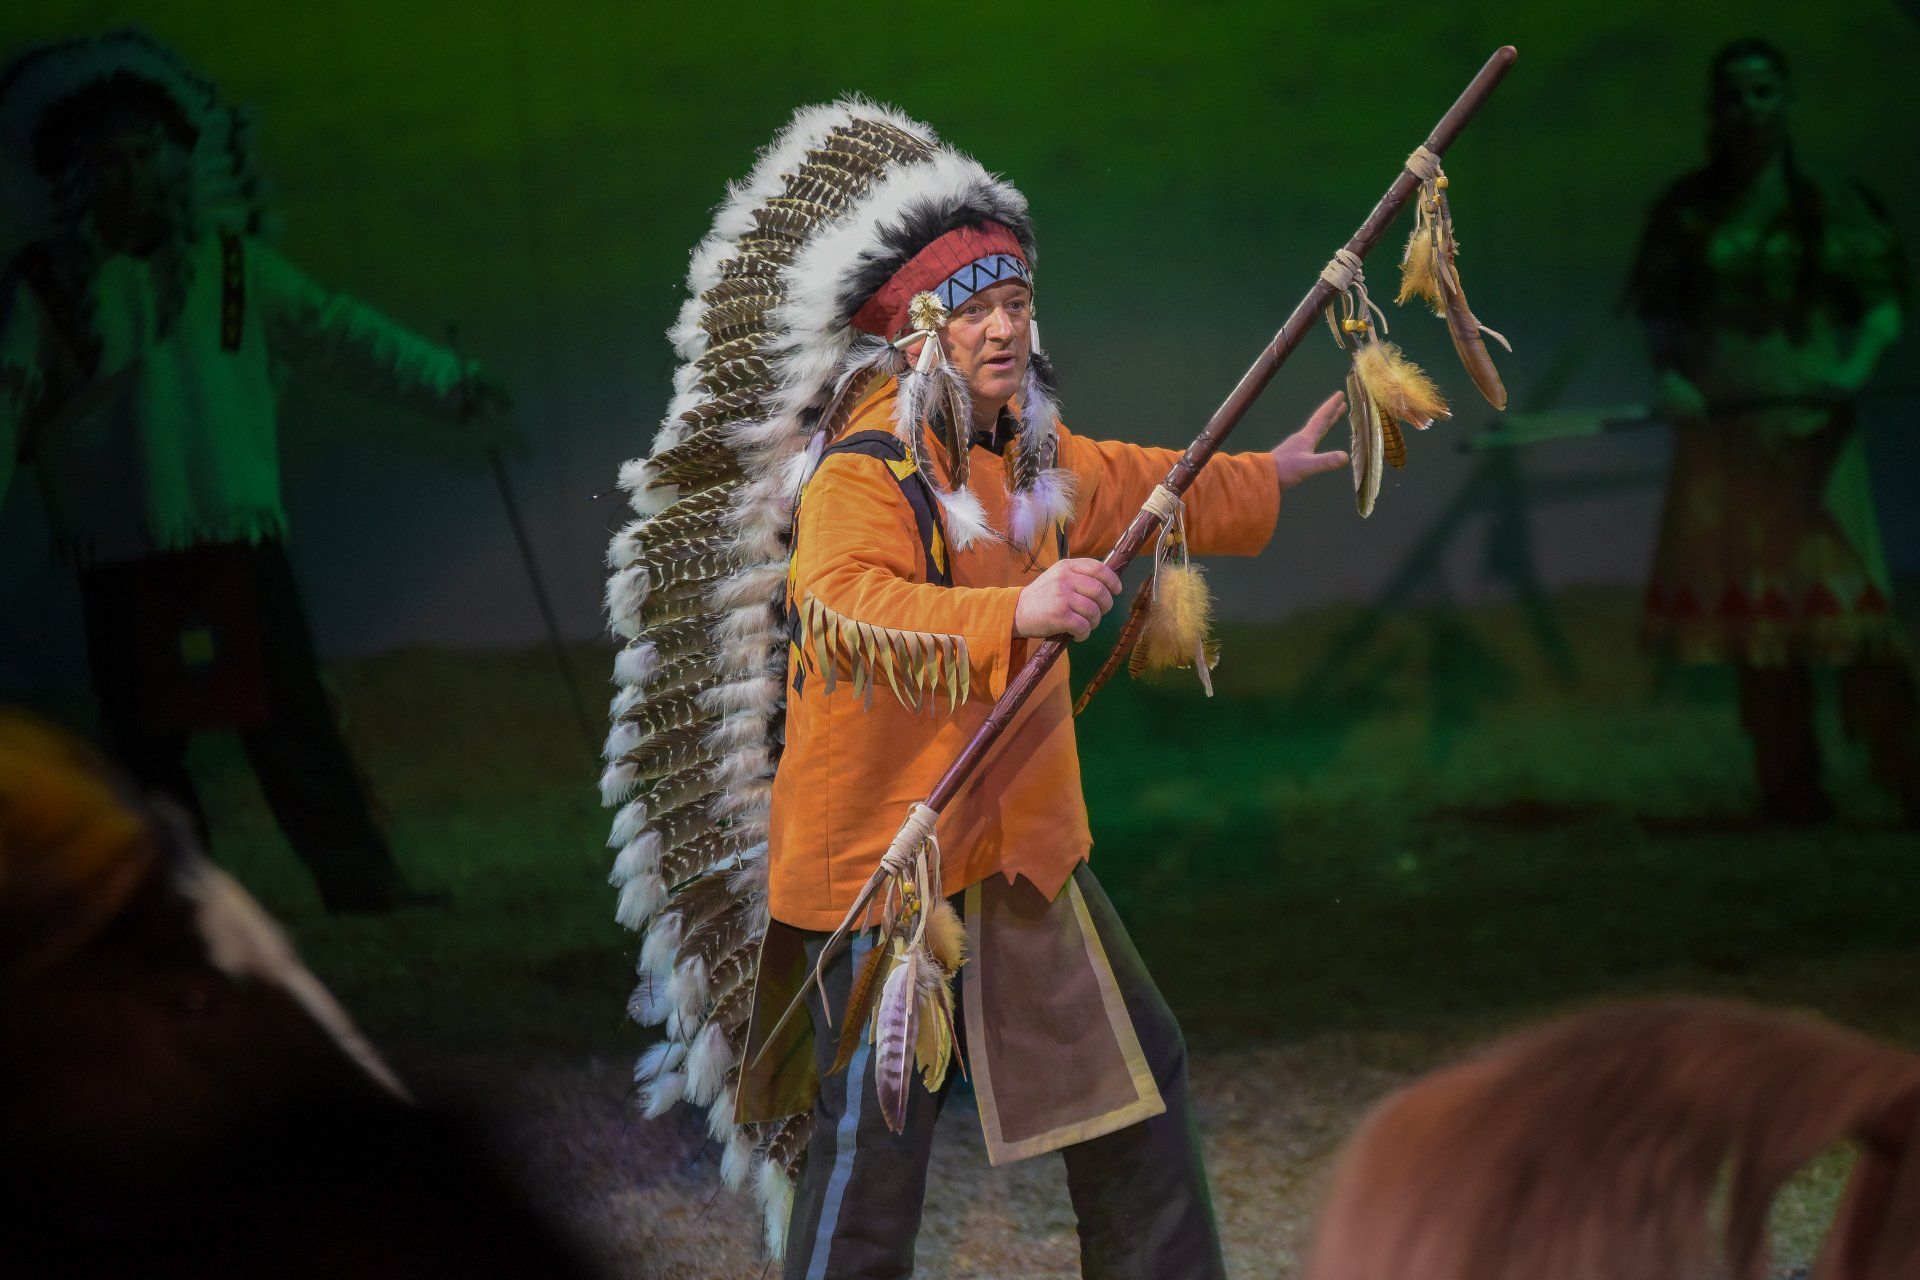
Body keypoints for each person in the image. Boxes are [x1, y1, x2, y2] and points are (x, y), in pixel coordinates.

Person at [603, 99, 1346, 1278]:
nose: (1003, 326)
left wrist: (1265, 475)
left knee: (1134, 1072)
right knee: (873, 1133)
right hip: (886, 854)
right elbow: (841, 600)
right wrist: (1018, 610)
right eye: (973, 307)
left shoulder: (1024, 447)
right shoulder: (865, 465)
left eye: (1016, 302)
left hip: (1012, 839)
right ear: (916, 334)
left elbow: (1137, 485)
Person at [0, 31, 511, 910]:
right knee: (145, 745)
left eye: (143, 156)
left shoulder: (232, 267)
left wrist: (449, 383)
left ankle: (360, 881)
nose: (129, 177)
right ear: (78, 176)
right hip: (122, 556)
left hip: (235, 537)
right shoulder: (43, 294)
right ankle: (175, 904)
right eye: (108, 161)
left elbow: (337, 332)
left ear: (172, 162)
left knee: (290, 720)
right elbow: (6, 400)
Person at [1628, 39, 1915, 825]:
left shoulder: (1832, 199)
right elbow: (1660, 315)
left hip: (1813, 425)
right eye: (1734, 95)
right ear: (1714, 109)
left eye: (1763, 93)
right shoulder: (1689, 208)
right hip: (1725, 432)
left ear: (1786, 101)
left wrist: (1853, 371)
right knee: (1760, 614)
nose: (1748, 109)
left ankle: (1907, 773)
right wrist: (1674, 378)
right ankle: (1788, 786)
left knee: (1851, 610)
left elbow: (1880, 304)